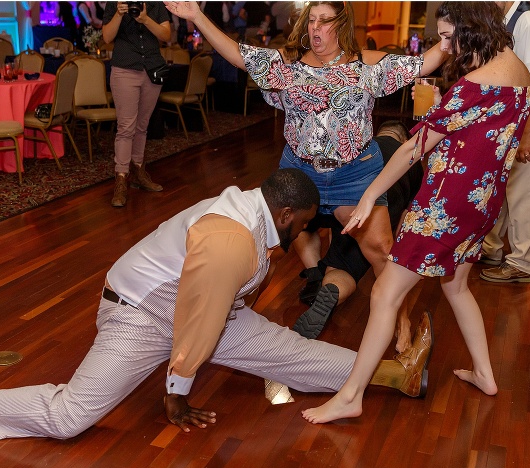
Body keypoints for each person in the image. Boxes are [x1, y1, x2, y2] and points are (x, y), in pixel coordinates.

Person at [0, 168, 436, 446]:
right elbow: (198, 318)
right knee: (74, 415)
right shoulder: (232, 239)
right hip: (138, 313)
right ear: (283, 212)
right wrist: (176, 391)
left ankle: (395, 374)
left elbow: (211, 310)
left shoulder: (255, 214)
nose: (302, 232)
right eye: (301, 224)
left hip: (203, 310)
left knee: (291, 353)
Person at [164, 0, 446, 355]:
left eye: (325, 21)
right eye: (312, 20)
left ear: (341, 25)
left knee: (382, 252)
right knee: (283, 234)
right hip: (300, 170)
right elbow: (239, 54)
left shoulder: (365, 65)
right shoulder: (288, 66)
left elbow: (427, 61)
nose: (316, 28)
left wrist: (454, 35)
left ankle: (401, 320)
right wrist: (197, 17)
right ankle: (293, 290)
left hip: (355, 173)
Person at [301, 1, 530, 424]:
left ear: (473, 30)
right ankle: (485, 372)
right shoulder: (519, 70)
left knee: (384, 293)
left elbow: (413, 147)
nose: (445, 47)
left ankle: (351, 395)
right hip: (482, 204)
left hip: (445, 207)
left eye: (449, 37)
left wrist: (370, 195)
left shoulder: (474, 85)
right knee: (456, 286)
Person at [292, 120, 424, 348]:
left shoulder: (363, 147)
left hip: (339, 180)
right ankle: (333, 289)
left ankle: (317, 275)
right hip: (374, 200)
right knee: (348, 266)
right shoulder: (411, 161)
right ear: (403, 140)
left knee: (301, 226)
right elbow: (405, 224)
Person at [479, 1, 530, 284]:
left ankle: (523, 263)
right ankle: (491, 249)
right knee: (502, 189)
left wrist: (525, 136)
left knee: (522, 194)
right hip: (512, 125)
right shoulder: (505, 20)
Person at [102, 1, 169, 208]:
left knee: (142, 126)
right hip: (124, 70)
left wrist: (145, 19)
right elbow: (107, 37)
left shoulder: (156, 4)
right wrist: (119, 14)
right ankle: (121, 177)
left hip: (151, 70)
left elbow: (166, 36)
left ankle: (139, 171)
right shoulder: (115, 4)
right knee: (126, 128)